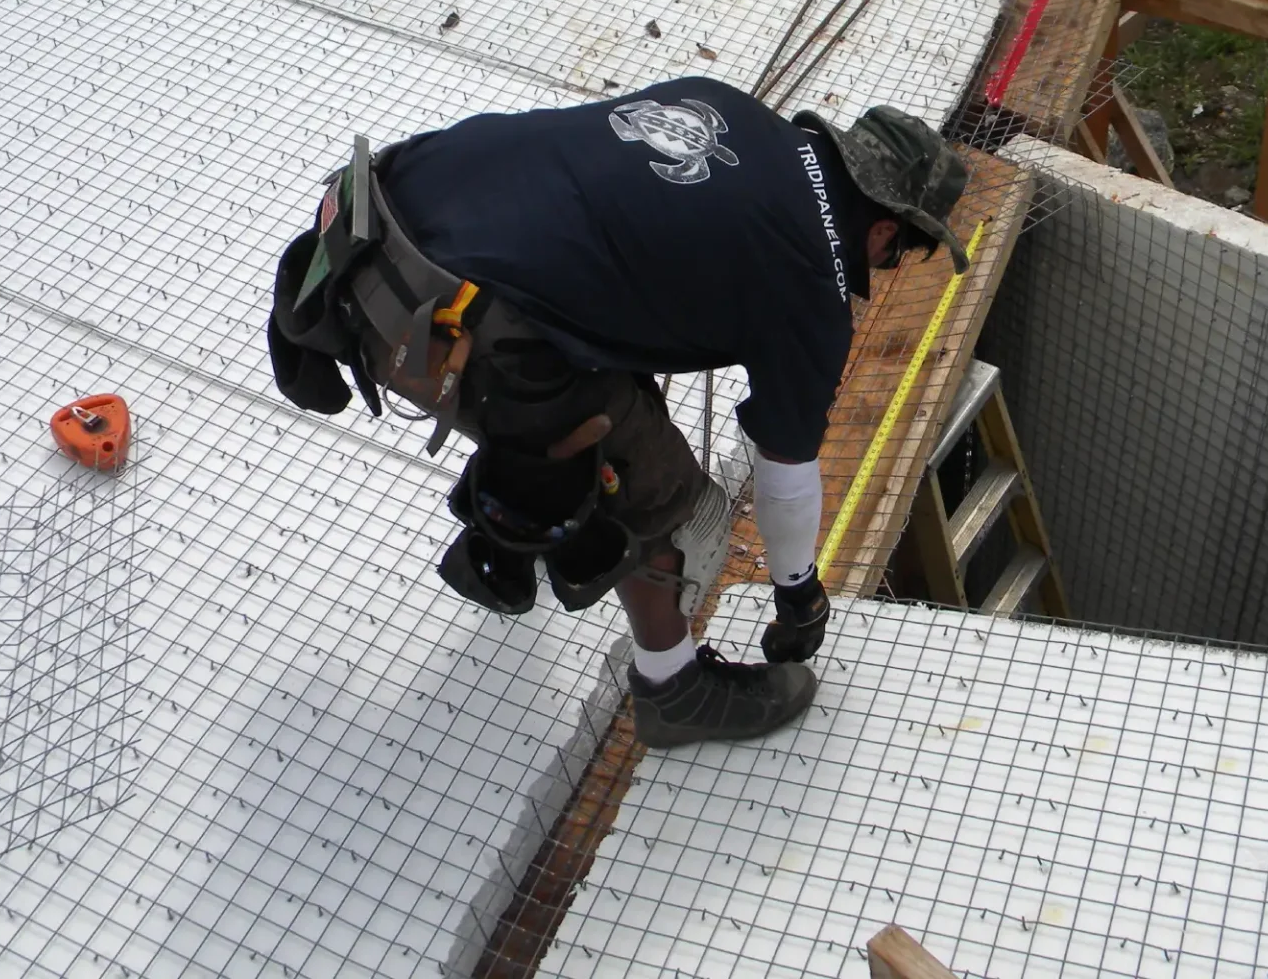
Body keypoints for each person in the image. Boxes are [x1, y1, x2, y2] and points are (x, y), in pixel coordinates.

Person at [266, 76, 969, 748]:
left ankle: (522, 512)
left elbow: (620, 218)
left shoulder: (729, 107)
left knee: (586, 358)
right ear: (882, 230)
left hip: (377, 204)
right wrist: (798, 597)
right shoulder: (812, 291)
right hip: (433, 310)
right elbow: (786, 471)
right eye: (902, 253)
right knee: (652, 484)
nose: (886, 266)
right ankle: (673, 692)